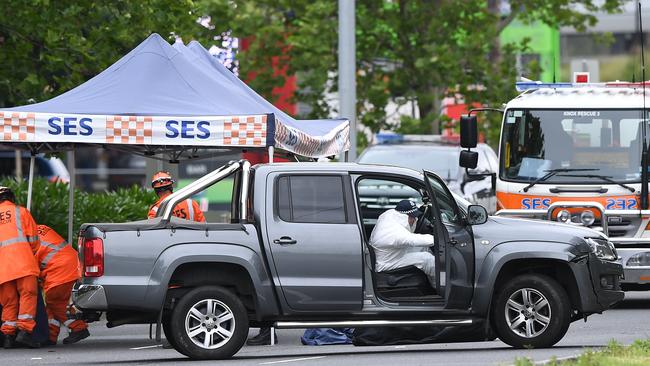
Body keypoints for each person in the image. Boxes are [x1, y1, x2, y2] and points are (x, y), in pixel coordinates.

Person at [0, 186, 41, 348]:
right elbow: (34, 242)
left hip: (2, 268)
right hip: (23, 262)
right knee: (28, 295)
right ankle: (24, 332)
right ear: (11, 198)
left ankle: (8, 336)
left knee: (9, 301)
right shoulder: (21, 212)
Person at [36, 225, 89, 346]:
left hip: (60, 271)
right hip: (73, 264)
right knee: (54, 305)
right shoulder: (41, 228)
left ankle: (78, 328)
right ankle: (50, 336)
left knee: (54, 301)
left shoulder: (24, 241)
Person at [369, 199, 436, 281]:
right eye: (412, 217)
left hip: (392, 254)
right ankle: (439, 286)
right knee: (426, 259)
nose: (415, 220)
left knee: (424, 248)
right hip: (386, 263)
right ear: (403, 216)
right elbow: (412, 240)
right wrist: (438, 239)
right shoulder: (395, 233)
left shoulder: (389, 216)